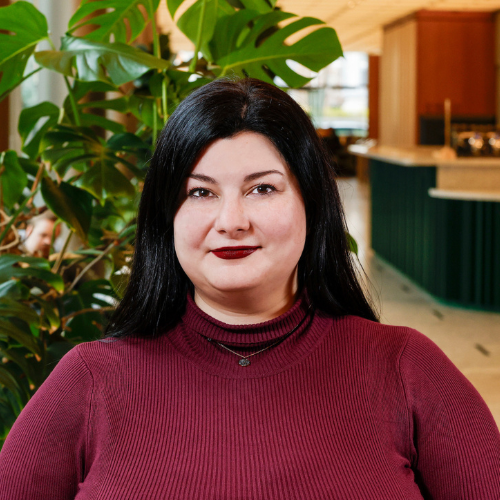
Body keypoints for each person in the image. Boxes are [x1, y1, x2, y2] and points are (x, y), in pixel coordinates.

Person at [0, 78, 499, 499]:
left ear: (311, 203)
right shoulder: (90, 379)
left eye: (262, 188)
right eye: (200, 192)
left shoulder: (405, 367)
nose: (231, 221)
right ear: (166, 216)